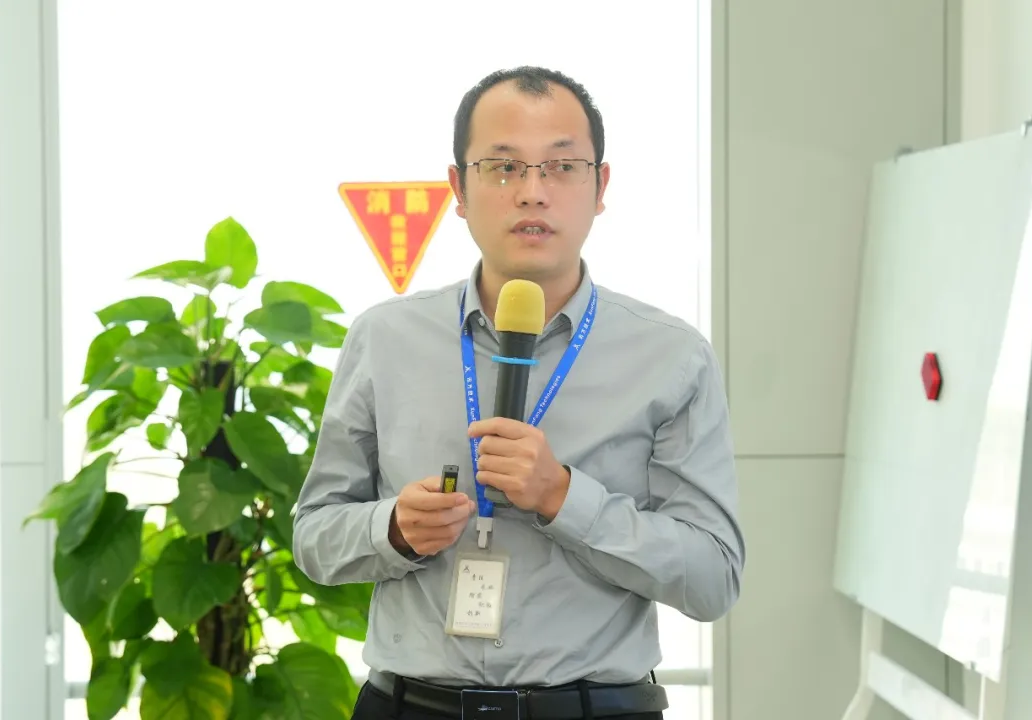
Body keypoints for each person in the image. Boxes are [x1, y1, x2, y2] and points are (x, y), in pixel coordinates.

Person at [293, 66, 745, 720]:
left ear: (600, 187)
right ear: (458, 189)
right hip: (410, 706)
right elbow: (314, 535)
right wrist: (390, 528)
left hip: (595, 708)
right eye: (503, 167)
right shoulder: (384, 338)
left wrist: (563, 497)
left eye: (561, 167)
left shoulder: (672, 356)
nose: (533, 193)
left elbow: (713, 578)